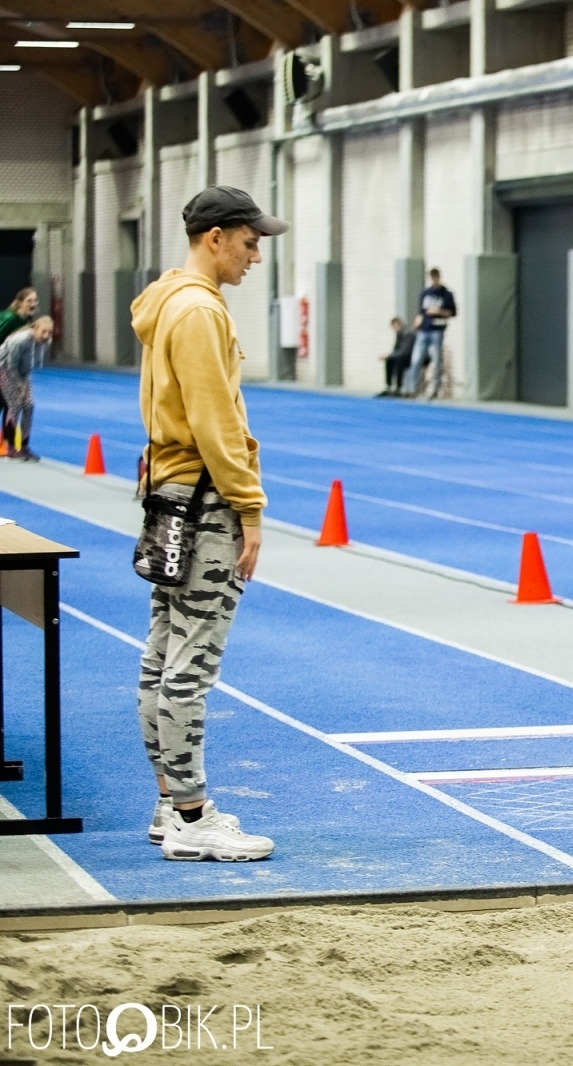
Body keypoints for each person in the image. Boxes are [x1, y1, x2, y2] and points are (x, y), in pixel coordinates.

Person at [131, 185, 286, 861]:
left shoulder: (170, 300)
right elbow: (216, 422)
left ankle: (172, 803)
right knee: (189, 662)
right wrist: (249, 508)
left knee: (163, 653)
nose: (256, 257)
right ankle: (192, 815)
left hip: (173, 492)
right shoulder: (197, 311)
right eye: (251, 243)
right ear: (215, 237)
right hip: (203, 500)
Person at [0, 314, 50, 460]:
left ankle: (23, 445)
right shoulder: (20, 340)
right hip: (4, 368)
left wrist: (25, 383)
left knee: (29, 405)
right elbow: (11, 364)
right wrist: (20, 385)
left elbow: (32, 363)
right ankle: (9, 446)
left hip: (22, 371)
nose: (46, 335)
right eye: (43, 332)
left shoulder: (46, 341)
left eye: (49, 333)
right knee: (14, 405)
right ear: (35, 329)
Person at [405, 268, 455, 399]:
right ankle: (412, 388)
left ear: (439, 277)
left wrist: (438, 311)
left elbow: (452, 313)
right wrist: (418, 319)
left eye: (435, 277)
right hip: (424, 330)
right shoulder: (425, 293)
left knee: (437, 360)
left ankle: (435, 389)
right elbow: (421, 311)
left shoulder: (446, 294)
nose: (434, 280)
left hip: (437, 330)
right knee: (416, 360)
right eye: (431, 278)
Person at [0, 288, 37, 446]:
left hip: (9, 366)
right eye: (29, 301)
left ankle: (10, 443)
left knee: (9, 403)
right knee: (8, 402)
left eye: (35, 301)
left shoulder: (26, 320)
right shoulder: (10, 318)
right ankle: (9, 443)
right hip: (3, 364)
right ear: (20, 302)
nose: (33, 304)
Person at [379, 316, 415, 397]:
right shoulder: (398, 335)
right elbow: (396, 350)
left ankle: (398, 388)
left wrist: (390, 355)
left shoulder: (408, 334)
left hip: (408, 358)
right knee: (389, 361)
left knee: (399, 361)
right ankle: (388, 386)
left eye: (396, 326)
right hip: (401, 357)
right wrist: (389, 356)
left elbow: (404, 352)